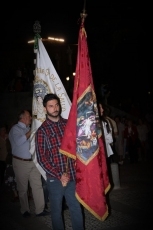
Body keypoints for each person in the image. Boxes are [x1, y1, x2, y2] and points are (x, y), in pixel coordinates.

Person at [35, 93, 84, 230]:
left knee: (76, 208)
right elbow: (42, 158)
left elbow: (77, 148)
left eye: (56, 105)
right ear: (45, 109)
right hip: (55, 179)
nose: (55, 108)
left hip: (72, 176)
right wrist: (59, 174)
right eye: (51, 106)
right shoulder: (42, 131)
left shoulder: (68, 125)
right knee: (56, 212)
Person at [8, 110, 50, 217]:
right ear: (23, 118)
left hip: (33, 161)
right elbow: (19, 141)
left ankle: (40, 210)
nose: (31, 118)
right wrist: (32, 131)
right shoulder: (15, 129)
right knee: (23, 188)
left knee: (37, 185)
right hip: (21, 162)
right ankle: (25, 210)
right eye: (28, 116)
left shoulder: (28, 129)